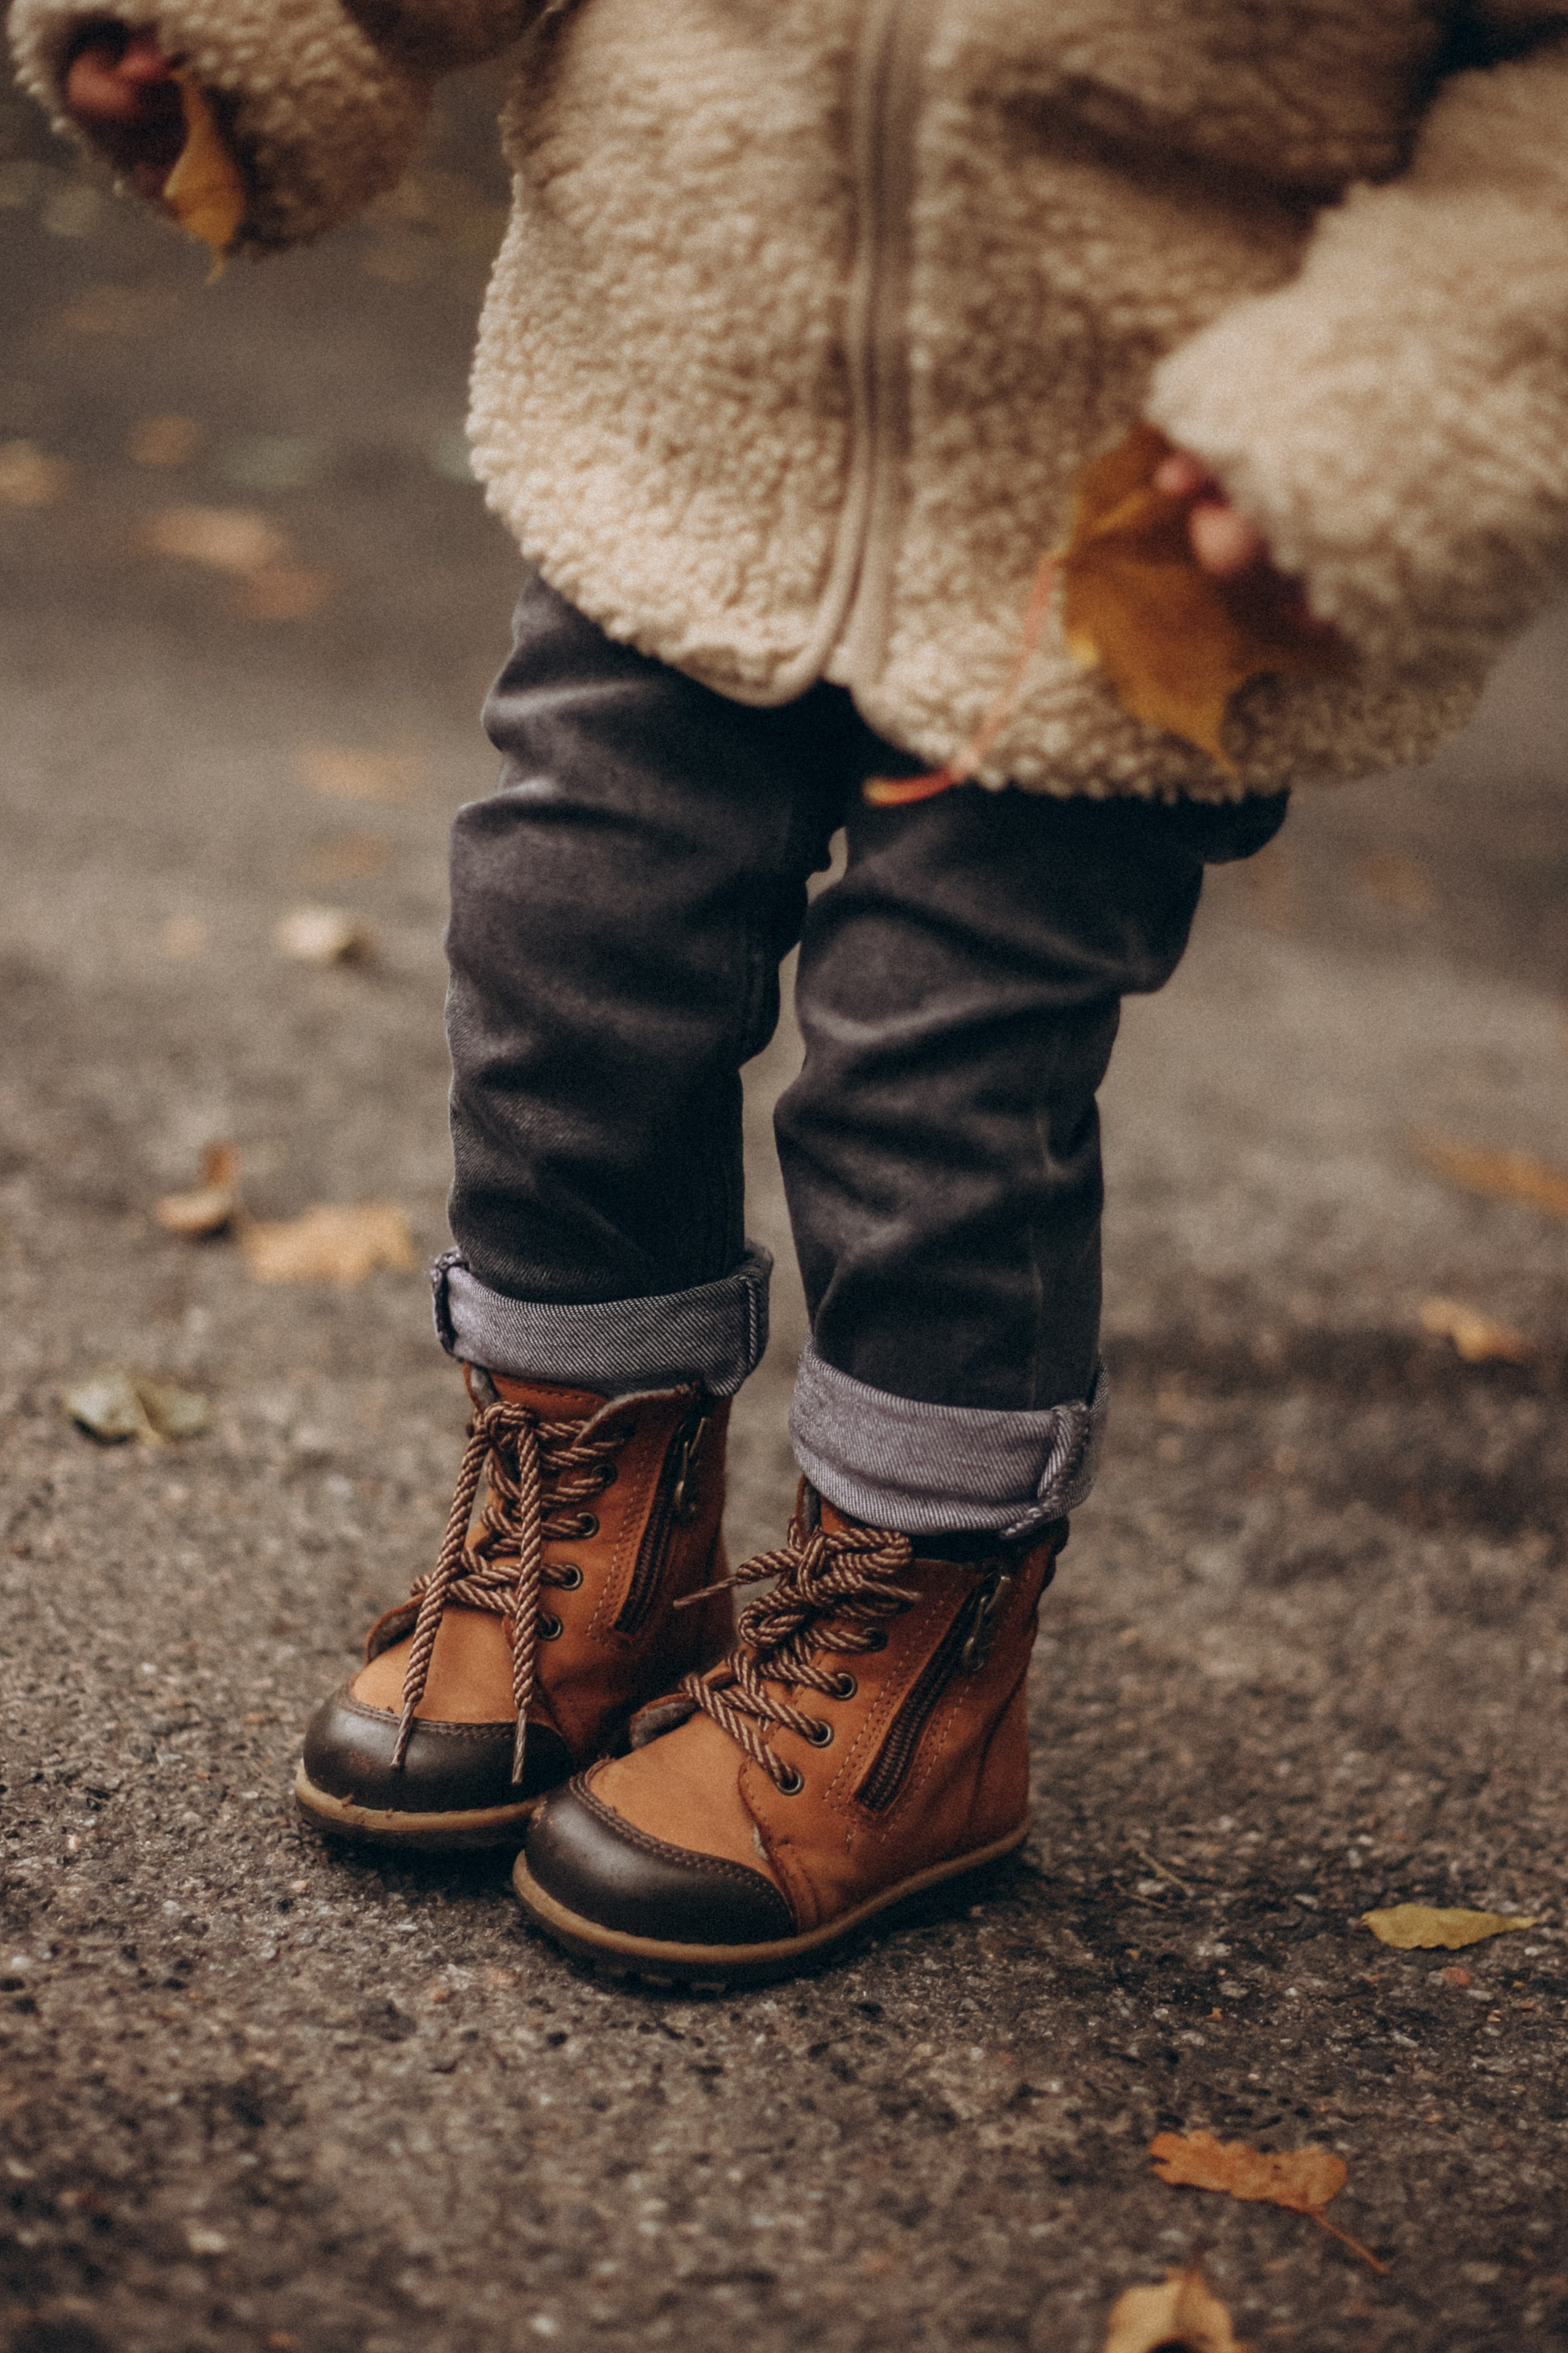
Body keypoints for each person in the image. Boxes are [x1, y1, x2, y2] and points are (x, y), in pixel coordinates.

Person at [22, 0, 1568, 1984]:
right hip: (692, 414)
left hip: (1124, 523)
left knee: (939, 1064)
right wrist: (258, 39)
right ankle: (596, 1542)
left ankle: (918, 1667)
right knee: (564, 940)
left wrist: (1379, 419)